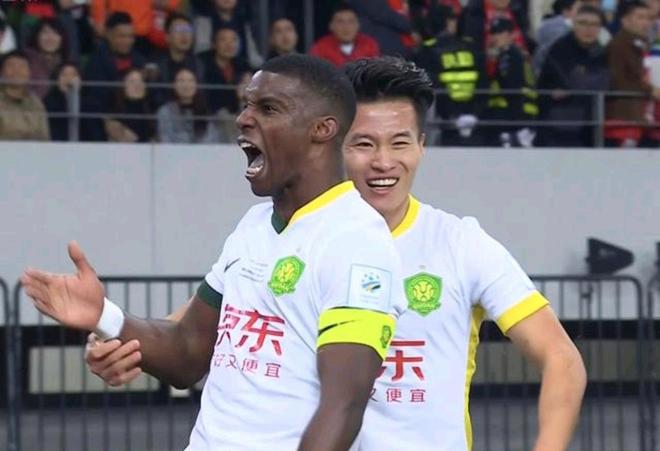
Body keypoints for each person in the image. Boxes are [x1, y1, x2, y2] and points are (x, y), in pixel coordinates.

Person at [86, 56, 588, 451]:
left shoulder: (461, 244)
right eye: (363, 144)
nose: (383, 162)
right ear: (330, 140)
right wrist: (120, 344)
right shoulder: (284, 231)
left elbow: (561, 360)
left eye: (400, 143)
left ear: (421, 146)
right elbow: (200, 329)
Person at [21, 54, 407, 450]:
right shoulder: (253, 225)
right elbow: (187, 352)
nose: (243, 119)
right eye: (246, 105)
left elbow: (342, 407)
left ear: (322, 129)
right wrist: (104, 316)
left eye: (268, 108)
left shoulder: (357, 241)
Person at [414, 4, 489, 146]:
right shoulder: (471, 47)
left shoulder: (427, 50)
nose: (455, 23)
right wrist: (474, 114)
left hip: (448, 121)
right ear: (445, 22)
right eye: (451, 19)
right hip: (469, 120)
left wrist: (453, 116)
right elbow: (483, 82)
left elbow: (433, 86)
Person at [537, 5, 609, 147]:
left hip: (590, 124)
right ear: (574, 25)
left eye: (594, 24)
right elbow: (570, 82)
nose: (589, 29)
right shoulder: (560, 49)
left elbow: (604, 83)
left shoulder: (600, 52)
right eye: (583, 23)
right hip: (558, 124)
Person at [81, 12, 145, 141]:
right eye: (122, 36)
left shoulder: (139, 60)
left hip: (135, 128)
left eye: (130, 36)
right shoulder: (96, 62)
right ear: (109, 35)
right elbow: (94, 101)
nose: (127, 41)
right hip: (102, 129)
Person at [605, 0, 660, 147]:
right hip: (624, 117)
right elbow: (622, 79)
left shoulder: (641, 43)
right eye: (640, 17)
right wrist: (651, 90)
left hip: (638, 116)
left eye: (648, 18)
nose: (646, 23)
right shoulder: (620, 44)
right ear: (625, 20)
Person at [486, 17, 538, 147]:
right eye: (493, 33)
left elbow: (512, 88)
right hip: (524, 116)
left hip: (512, 118)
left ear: (511, 35)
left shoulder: (508, 55)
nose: (495, 37)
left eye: (500, 33)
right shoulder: (518, 54)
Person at [156, 67, 219, 143]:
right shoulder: (165, 111)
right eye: (181, 81)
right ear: (174, 85)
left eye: (190, 81)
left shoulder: (206, 111)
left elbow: (212, 139)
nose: (186, 85)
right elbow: (165, 139)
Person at [198, 26, 251, 115]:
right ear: (214, 44)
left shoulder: (243, 66)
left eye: (233, 40)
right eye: (223, 40)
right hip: (209, 115)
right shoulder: (203, 65)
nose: (229, 45)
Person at [310, 4, 380, 67]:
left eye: (351, 21)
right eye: (340, 22)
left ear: (358, 25)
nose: (346, 27)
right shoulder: (321, 48)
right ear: (331, 26)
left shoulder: (369, 45)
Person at [0, 50, 50, 140]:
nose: (17, 71)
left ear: (29, 73)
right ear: (2, 72)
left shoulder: (36, 103)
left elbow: (45, 138)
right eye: (11, 66)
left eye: (22, 66)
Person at [104, 68, 154, 143]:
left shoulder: (150, 111)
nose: (137, 85)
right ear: (123, 86)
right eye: (132, 81)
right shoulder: (113, 114)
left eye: (141, 81)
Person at [24, 18, 71, 99]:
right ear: (37, 36)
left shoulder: (66, 63)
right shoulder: (26, 59)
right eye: (45, 32)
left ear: (62, 38)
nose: (50, 38)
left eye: (55, 33)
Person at [43, 62, 81, 141]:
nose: (69, 79)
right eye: (64, 75)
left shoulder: (89, 103)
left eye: (73, 75)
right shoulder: (48, 102)